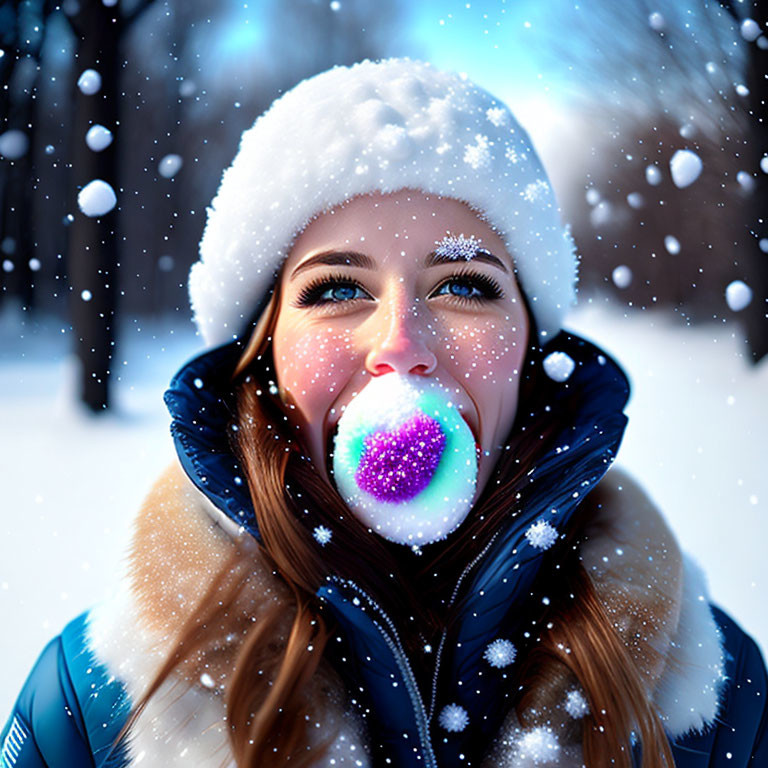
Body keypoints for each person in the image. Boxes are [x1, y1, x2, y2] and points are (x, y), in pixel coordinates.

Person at [1, 58, 766, 768]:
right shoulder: (89, 708)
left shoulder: (714, 697)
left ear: (533, 350)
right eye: (337, 289)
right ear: (264, 355)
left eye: (464, 284)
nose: (400, 346)